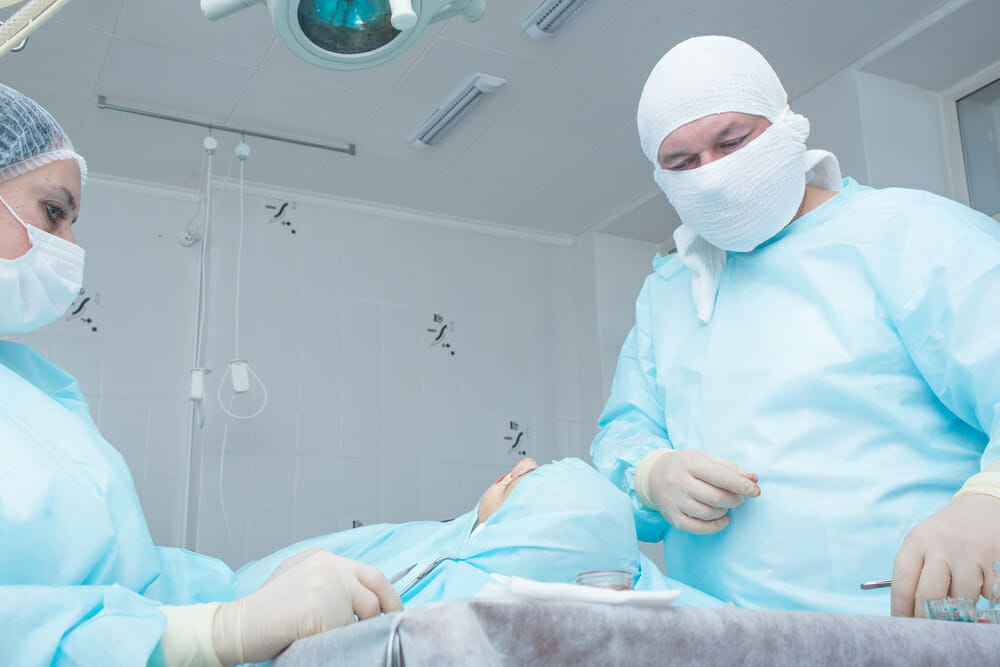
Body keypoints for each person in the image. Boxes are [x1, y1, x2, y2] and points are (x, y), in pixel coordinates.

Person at [590, 35, 1000, 618]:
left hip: (910, 628)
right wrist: (652, 474)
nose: (711, 176)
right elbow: (624, 435)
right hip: (720, 639)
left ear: (787, 126)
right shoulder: (668, 292)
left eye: (731, 141)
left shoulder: (910, 236)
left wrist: (989, 501)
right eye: (682, 163)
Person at [0, 82, 402, 667]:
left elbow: (141, 584)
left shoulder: (35, 388)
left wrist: (246, 595)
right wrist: (213, 632)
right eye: (53, 212)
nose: (69, 247)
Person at [235, 457, 725, 607]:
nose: (522, 463)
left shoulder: (441, 574)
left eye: (525, 480)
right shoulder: (651, 591)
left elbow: (226, 595)